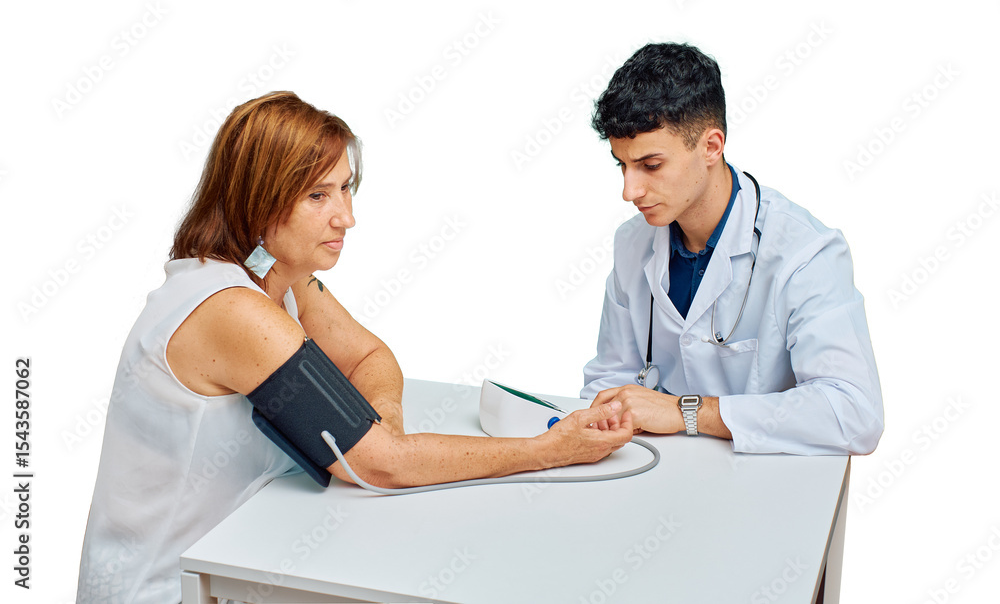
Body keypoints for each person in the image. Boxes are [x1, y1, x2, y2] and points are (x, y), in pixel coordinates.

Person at [77, 91, 633, 603]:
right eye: (317, 195)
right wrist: (550, 449)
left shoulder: (278, 277)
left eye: (344, 188)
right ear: (259, 200)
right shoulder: (231, 310)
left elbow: (370, 357)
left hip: (241, 556)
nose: (346, 216)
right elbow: (379, 467)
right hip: (169, 589)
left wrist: (381, 421)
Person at [580, 43, 884, 456]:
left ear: (711, 146)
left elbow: (854, 412)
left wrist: (686, 412)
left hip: (768, 480)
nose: (629, 191)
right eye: (622, 165)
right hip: (660, 471)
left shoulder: (805, 252)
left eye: (650, 166)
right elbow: (609, 380)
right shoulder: (633, 242)